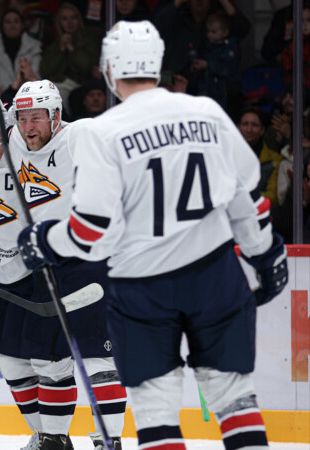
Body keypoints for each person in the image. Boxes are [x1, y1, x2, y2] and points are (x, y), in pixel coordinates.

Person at [18, 21, 287, 450]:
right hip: (215, 276)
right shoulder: (206, 112)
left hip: (142, 288)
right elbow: (247, 198)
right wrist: (266, 255)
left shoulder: (103, 132)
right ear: (157, 63)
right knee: (235, 400)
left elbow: (89, 232)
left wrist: (44, 241)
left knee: (155, 413)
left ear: (109, 68)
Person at [0, 89, 126, 450]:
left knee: (98, 359)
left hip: (88, 260)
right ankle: (53, 440)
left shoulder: (77, 137)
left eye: (38, 117)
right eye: (24, 118)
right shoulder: (11, 141)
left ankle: (110, 441)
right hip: (41, 269)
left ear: (56, 115)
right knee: (45, 363)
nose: (30, 126)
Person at [38, 2, 104, 115]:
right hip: (59, 84)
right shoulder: (55, 45)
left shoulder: (90, 39)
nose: (70, 22)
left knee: (61, 95)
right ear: (59, 22)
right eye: (65, 19)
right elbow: (45, 72)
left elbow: (87, 67)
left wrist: (72, 49)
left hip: (81, 85)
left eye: (73, 18)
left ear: (79, 20)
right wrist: (60, 50)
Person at [0, 8, 42, 98]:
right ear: (1, 26)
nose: (12, 25)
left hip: (29, 97)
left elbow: (38, 75)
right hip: (0, 99)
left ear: (22, 25)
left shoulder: (33, 48)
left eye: (16, 21)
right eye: (8, 22)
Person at [190, 12, 239, 110]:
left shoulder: (229, 48)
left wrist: (207, 65)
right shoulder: (206, 46)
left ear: (225, 33)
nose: (209, 34)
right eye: (208, 31)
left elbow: (228, 69)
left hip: (222, 92)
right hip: (205, 90)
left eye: (213, 32)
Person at [238, 107, 283, 205]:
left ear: (262, 130)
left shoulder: (275, 160)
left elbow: (273, 197)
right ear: (238, 128)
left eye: (254, 125)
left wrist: (241, 197)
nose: (249, 129)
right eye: (245, 124)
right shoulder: (226, 157)